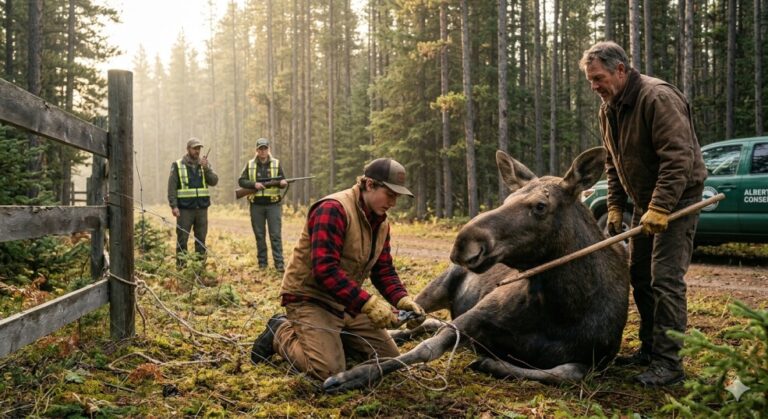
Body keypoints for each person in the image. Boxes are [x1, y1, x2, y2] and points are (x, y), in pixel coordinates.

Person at [580, 41, 707, 386]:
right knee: (639, 275)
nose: (595, 87)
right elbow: (613, 162)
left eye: (599, 78)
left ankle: (669, 365)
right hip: (645, 202)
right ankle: (650, 349)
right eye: (590, 80)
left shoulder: (656, 98)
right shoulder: (609, 108)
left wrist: (661, 207)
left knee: (664, 279)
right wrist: (617, 208)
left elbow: (678, 158)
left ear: (620, 70)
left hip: (677, 200)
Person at [249, 157, 426, 381]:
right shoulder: (333, 209)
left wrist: (401, 300)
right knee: (328, 373)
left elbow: (383, 269)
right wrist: (368, 304)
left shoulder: (381, 221)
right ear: (370, 184)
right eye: (390, 194)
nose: (393, 202)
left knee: (389, 363)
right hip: (311, 298)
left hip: (345, 301)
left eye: (397, 196)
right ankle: (279, 332)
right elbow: (325, 270)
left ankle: (330, 339)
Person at [238, 138, 288, 272]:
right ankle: (262, 265)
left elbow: (282, 180)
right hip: (256, 206)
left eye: (265, 148)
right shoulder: (250, 164)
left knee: (275, 235)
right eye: (260, 149)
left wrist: (283, 184)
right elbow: (241, 181)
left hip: (273, 205)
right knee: (259, 235)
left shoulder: (276, 163)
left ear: (268, 149)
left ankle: (279, 265)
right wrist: (254, 185)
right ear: (257, 150)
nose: (263, 151)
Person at [168, 138, 219, 267]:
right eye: (194, 148)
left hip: (201, 208)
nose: (197, 151)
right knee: (182, 239)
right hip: (184, 209)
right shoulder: (177, 165)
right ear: (188, 149)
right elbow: (171, 187)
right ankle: (181, 267)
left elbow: (214, 181)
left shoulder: (204, 164)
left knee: (201, 239)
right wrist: (174, 206)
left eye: (199, 148)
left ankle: (200, 268)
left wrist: (206, 168)